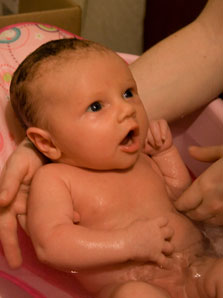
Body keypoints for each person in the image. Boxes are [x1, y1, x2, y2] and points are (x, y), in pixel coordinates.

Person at [0, 0, 223, 270]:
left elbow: (183, 199)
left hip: (200, 264)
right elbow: (52, 244)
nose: (126, 109)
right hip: (139, 284)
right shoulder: (54, 180)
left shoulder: (141, 157)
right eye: (96, 106)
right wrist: (128, 244)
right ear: (46, 142)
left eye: (128, 93)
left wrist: (166, 155)